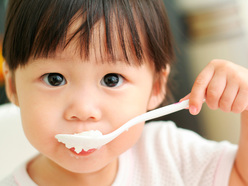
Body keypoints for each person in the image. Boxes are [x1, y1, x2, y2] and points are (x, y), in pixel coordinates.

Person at [1, 0, 248, 185]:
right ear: (13, 88)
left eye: (112, 79)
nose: (83, 110)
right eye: (54, 80)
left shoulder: (169, 154)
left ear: (155, 87)